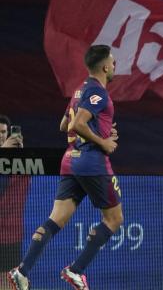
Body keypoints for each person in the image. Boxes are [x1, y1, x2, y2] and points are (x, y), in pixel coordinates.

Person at [7, 45, 122, 290]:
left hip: (70, 161)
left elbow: (64, 125)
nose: (114, 66)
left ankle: (22, 270)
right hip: (92, 162)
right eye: (112, 62)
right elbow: (78, 124)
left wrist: (99, 130)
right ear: (104, 66)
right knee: (114, 219)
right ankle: (75, 270)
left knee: (54, 220)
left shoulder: (79, 91)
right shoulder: (98, 92)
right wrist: (103, 141)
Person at [0, 114, 28, 287]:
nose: (1, 135)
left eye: (3, 132)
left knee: (9, 282)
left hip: (11, 237)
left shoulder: (21, 161)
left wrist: (19, 155)